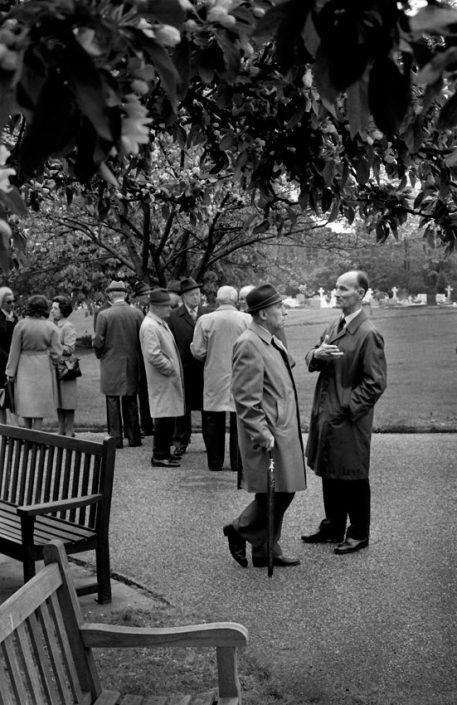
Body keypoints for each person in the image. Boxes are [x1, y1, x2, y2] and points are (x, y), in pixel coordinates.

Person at [302, 270, 387, 555]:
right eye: (336, 288)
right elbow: (311, 357)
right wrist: (317, 355)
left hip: (348, 418)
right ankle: (333, 526)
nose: (336, 293)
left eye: (343, 289)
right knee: (330, 470)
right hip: (327, 413)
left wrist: (347, 409)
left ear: (360, 294)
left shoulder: (368, 333)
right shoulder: (334, 325)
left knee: (352, 475)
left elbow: (375, 383)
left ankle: (359, 532)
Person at [223, 284, 306, 568]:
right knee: (280, 489)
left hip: (280, 426)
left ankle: (264, 549)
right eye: (277, 307)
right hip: (270, 431)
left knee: (277, 489)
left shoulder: (269, 339)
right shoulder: (248, 343)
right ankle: (240, 529)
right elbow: (245, 398)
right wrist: (262, 433)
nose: (284, 311)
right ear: (261, 314)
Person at [191, 285, 250, 472]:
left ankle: (214, 461)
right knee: (239, 418)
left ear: (218, 299)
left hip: (215, 374)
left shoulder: (205, 320)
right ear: (235, 300)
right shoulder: (247, 319)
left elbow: (199, 351)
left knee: (213, 419)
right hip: (241, 374)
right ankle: (237, 462)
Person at [93, 280, 143, 449]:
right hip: (132, 361)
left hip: (111, 360)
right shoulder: (137, 314)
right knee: (131, 399)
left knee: (112, 399)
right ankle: (134, 437)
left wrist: (100, 355)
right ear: (125, 294)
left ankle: (115, 438)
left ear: (110, 295)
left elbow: (98, 341)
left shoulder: (104, 315)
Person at [140, 289, 185, 467]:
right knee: (163, 417)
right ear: (157, 307)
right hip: (162, 378)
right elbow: (153, 355)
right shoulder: (151, 326)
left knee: (167, 416)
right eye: (167, 306)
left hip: (165, 378)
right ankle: (159, 455)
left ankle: (164, 452)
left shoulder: (158, 322)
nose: (170, 310)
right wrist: (171, 369)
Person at [6, 294, 62, 429]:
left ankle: (27, 434)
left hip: (24, 365)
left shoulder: (21, 325)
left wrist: (10, 372)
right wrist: (53, 363)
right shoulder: (51, 327)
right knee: (39, 404)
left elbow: (14, 351)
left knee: (26, 401)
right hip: (43, 366)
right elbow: (57, 353)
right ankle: (37, 435)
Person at [168, 277, 205, 458]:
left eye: (198, 294)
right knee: (183, 409)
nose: (196, 298)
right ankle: (181, 441)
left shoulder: (208, 313)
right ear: (184, 297)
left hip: (205, 369)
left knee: (208, 407)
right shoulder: (174, 316)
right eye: (192, 295)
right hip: (184, 368)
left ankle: (210, 440)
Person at [51, 295, 78, 437]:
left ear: (63, 310)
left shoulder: (68, 326)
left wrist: (54, 347)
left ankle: (70, 429)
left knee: (68, 400)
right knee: (58, 400)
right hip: (55, 367)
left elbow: (70, 348)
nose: (52, 311)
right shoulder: (53, 325)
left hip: (66, 368)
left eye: (55, 308)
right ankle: (61, 428)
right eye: (52, 308)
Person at [0, 287, 18, 423]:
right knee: (1, 396)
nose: (12, 304)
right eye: (8, 302)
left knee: (13, 396)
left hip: (14, 361)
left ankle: (14, 429)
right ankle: (2, 428)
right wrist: (7, 356)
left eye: (13, 301)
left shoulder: (15, 318)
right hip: (1, 361)